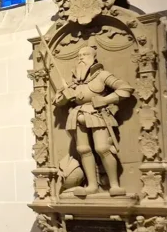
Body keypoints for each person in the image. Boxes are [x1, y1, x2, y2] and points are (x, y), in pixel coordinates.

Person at [54, 44, 133, 196]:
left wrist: (105, 100)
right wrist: (65, 96)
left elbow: (125, 89)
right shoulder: (74, 81)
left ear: (93, 57)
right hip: (78, 116)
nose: (81, 58)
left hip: (98, 114)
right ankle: (92, 185)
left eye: (85, 55)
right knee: (83, 150)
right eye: (79, 56)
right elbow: (57, 101)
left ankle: (114, 185)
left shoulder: (102, 75)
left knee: (102, 148)